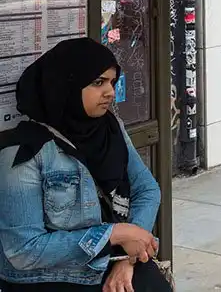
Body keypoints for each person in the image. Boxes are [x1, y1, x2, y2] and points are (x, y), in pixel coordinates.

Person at [0, 38, 172, 291]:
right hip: (49, 279)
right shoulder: (24, 151)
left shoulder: (110, 128)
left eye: (112, 82)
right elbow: (24, 250)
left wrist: (128, 257)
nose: (110, 92)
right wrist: (114, 235)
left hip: (109, 260)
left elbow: (147, 189)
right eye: (98, 82)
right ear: (65, 86)